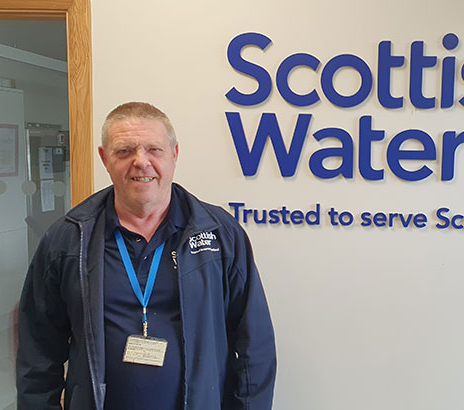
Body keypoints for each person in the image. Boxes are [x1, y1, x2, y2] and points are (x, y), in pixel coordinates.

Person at [16, 102, 276, 410]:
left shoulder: (221, 235)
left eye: (154, 149)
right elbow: (38, 353)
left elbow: (254, 348)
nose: (141, 162)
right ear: (104, 158)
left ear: (174, 154)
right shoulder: (69, 239)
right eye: (124, 151)